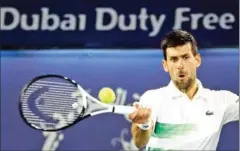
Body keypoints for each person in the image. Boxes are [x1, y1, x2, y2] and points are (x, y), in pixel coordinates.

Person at [129, 30, 239, 151]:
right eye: (174, 59)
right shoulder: (152, 98)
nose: (180, 65)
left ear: (197, 60)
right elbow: (139, 142)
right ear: (165, 65)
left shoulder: (222, 100)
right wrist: (144, 124)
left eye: (185, 57)